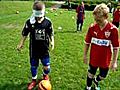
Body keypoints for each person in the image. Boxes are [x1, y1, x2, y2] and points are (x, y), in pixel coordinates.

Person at [17, 1, 54, 90]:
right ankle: (34, 80)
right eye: (37, 14)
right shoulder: (29, 22)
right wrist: (21, 43)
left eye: (40, 14)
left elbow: (51, 33)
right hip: (34, 50)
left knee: (47, 67)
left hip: (44, 50)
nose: (39, 17)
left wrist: (52, 42)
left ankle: (45, 76)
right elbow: (25, 33)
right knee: (34, 66)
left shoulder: (48, 22)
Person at [83, 3, 119, 90]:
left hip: (105, 59)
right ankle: (88, 87)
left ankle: (96, 80)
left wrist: (114, 62)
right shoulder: (92, 27)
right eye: (95, 20)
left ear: (106, 17)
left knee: (103, 76)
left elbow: (116, 47)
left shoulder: (113, 29)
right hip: (94, 57)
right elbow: (87, 42)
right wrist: (85, 55)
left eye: (99, 20)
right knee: (90, 73)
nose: (97, 22)